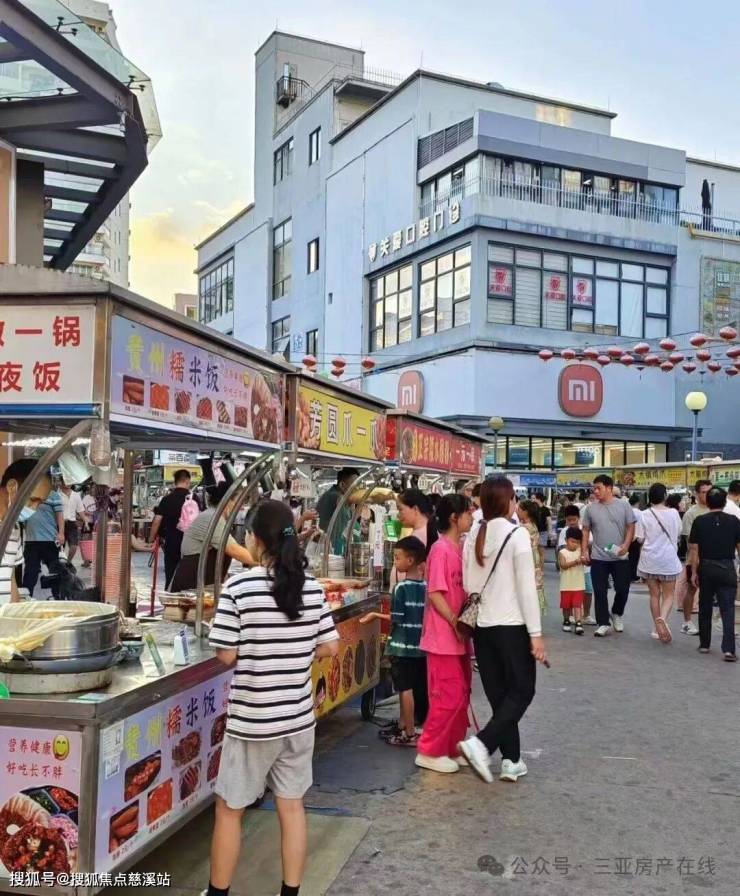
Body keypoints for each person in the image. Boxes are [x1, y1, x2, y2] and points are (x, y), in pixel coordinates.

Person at [205, 500, 339, 896]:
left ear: (256, 539)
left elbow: (225, 654)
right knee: (292, 806)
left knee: (229, 809)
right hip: (297, 721)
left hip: (253, 721)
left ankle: (218, 892)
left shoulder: (239, 587)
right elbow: (330, 647)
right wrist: (296, 650)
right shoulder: (310, 587)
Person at [458, 476, 548, 784]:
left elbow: (469, 584)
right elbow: (526, 589)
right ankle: (481, 744)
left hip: (483, 628)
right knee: (522, 690)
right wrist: (536, 634)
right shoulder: (516, 534)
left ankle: (511, 760)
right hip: (512, 626)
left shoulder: (474, 534)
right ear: (508, 502)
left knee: (500, 696)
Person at [415, 494, 473, 775]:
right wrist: (453, 620)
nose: (471, 517)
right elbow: (435, 592)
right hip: (442, 637)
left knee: (461, 694)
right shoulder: (440, 550)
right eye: (468, 513)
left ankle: (452, 745)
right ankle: (430, 750)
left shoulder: (460, 547)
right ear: (454, 517)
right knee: (447, 695)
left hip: (459, 636)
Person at [360, 536, 428, 746]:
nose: (395, 561)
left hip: (401, 647)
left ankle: (409, 733)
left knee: (404, 689)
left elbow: (396, 618)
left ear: (410, 560)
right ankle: (403, 725)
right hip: (419, 648)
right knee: (411, 688)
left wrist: (375, 615)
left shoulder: (401, 588)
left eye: (397, 558)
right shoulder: (426, 587)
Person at [688, 488, 740, 662]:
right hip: (727, 568)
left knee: (705, 606)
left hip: (706, 568)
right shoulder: (734, 521)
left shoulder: (699, 521)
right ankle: (729, 650)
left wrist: (694, 572)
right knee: (728, 609)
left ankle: (705, 644)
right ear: (724, 502)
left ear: (707, 502)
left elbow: (694, 550)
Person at [172, 483, 255, 590]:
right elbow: (234, 550)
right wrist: (265, 561)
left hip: (203, 582)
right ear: (227, 500)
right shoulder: (212, 517)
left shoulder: (218, 518)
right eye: (239, 501)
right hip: (191, 583)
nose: (241, 506)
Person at [581, 474, 635, 637]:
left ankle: (617, 612)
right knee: (599, 590)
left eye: (599, 488)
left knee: (623, 588)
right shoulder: (590, 508)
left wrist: (626, 545)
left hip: (620, 555)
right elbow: (585, 530)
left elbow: (630, 526)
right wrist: (584, 550)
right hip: (598, 556)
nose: (595, 491)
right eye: (594, 488)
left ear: (609, 488)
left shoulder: (624, 505)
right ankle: (603, 622)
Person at [0, 459, 51, 605]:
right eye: (33, 499)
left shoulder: (15, 528)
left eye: (40, 503)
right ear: (12, 487)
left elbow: (9, 578)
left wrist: (16, 612)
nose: (34, 508)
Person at [639, 483, 682, 644]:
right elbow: (678, 533)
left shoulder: (644, 514)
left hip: (649, 560)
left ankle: (656, 628)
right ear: (665, 496)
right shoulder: (674, 513)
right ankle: (662, 619)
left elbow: (640, 538)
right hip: (668, 560)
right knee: (669, 595)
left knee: (654, 595)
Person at [678, 479, 712, 636]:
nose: (707, 495)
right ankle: (686, 622)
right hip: (695, 559)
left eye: (709, 491)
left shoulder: (717, 509)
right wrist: (694, 564)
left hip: (714, 559)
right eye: (704, 492)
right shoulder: (691, 513)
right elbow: (689, 542)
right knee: (691, 590)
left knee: (711, 593)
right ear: (697, 494)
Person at [148, 469, 193, 588]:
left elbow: (157, 521)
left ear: (175, 482)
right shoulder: (193, 500)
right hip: (190, 544)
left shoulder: (167, 499)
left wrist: (151, 539)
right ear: (187, 481)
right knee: (188, 575)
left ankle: (170, 593)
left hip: (171, 542)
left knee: (170, 573)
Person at [22, 479, 65, 599]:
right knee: (30, 572)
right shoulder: (27, 494)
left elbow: (60, 516)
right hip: (31, 541)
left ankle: (58, 597)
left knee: (55, 572)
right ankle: (26, 599)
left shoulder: (54, 496)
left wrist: (61, 533)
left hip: (49, 540)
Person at [557, 505, 595, 625]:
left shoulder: (585, 530)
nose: (572, 522)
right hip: (569, 568)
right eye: (569, 520)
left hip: (584, 567)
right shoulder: (564, 531)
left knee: (588, 590)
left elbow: (590, 545)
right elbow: (562, 548)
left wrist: (587, 553)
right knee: (570, 591)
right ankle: (570, 615)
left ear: (579, 518)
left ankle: (586, 615)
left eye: (574, 519)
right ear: (565, 520)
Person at [316, 468, 359, 555]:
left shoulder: (338, 497)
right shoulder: (335, 497)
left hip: (331, 550)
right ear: (342, 485)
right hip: (329, 552)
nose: (358, 489)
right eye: (355, 485)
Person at [516, 500, 547, 613]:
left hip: (528, 559)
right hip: (535, 558)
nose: (517, 511)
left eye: (519, 509)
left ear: (526, 512)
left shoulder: (524, 528)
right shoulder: (533, 525)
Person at [558, 527, 586, 635]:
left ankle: (578, 622)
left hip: (579, 585)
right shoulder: (562, 552)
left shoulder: (580, 551)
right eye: (572, 541)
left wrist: (585, 560)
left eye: (577, 542)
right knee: (566, 606)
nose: (575, 544)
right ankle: (566, 620)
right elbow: (563, 565)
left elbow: (587, 561)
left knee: (577, 605)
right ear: (566, 540)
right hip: (566, 585)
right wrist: (575, 562)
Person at [58, 478, 85, 565]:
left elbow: (80, 510)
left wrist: (86, 521)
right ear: (61, 482)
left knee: (74, 546)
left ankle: (68, 563)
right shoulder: (57, 495)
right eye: (66, 481)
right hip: (59, 523)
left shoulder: (76, 495)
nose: (68, 483)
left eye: (70, 481)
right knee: (59, 548)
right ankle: (58, 566)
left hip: (71, 523)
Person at [627, 493, 644, 583]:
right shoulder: (641, 513)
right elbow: (642, 526)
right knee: (635, 558)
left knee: (628, 557)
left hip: (627, 537)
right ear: (637, 502)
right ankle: (634, 576)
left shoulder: (627, 511)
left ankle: (628, 575)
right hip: (637, 537)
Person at [532, 492, 550, 564]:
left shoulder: (546, 509)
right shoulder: (533, 509)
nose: (533, 500)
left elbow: (549, 522)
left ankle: (541, 569)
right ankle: (537, 568)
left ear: (538, 499)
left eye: (534, 498)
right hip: (534, 532)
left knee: (541, 553)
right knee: (534, 552)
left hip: (542, 532)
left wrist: (549, 533)